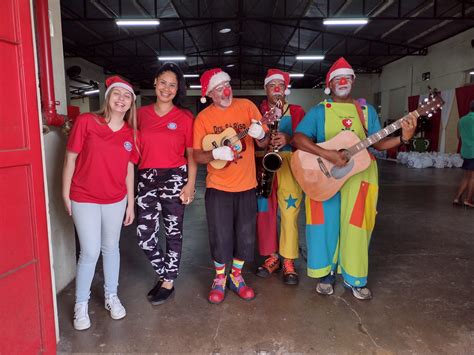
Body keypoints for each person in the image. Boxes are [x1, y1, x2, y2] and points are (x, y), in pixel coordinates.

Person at [292, 57, 417, 300]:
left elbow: (378, 143)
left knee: (357, 227)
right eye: (337, 78)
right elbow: (298, 139)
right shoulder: (320, 111)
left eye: (346, 78)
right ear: (328, 84)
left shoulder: (366, 111)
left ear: (353, 81)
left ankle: (355, 277)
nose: (342, 82)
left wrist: (404, 137)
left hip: (361, 176)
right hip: (324, 177)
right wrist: (327, 154)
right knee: (323, 226)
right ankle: (325, 274)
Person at [62, 76, 138, 330]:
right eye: (116, 94)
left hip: (116, 199)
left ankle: (110, 296)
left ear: (131, 104)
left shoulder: (130, 134)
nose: (121, 99)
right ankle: (80, 304)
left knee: (111, 248)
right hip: (84, 196)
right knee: (90, 251)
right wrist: (65, 193)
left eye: (126, 96)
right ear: (107, 97)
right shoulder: (87, 122)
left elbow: (129, 170)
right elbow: (70, 159)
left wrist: (130, 203)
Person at [193, 68, 267, 304]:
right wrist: (215, 151)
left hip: (246, 185)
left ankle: (236, 277)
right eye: (218, 88)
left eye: (227, 85)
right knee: (220, 237)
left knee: (245, 237)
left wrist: (258, 135)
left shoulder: (247, 106)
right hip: (218, 187)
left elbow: (264, 143)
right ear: (209, 94)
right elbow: (197, 155)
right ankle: (218, 278)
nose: (225, 91)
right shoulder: (203, 118)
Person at [136, 62, 197, 305]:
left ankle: (168, 282)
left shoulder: (184, 117)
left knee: (173, 233)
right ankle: (165, 274)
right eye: (163, 82)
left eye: (173, 85)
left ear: (178, 89)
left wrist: (190, 184)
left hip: (175, 176)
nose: (167, 88)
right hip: (146, 177)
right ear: (155, 82)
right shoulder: (140, 114)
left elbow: (191, 153)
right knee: (145, 236)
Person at [255, 69, 306, 285]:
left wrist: (289, 138)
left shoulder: (297, 111)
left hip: (289, 166)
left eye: (280, 85)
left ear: (286, 89)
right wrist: (263, 139)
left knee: (289, 213)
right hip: (263, 166)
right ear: (265, 88)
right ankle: (272, 256)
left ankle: (288, 259)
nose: (277, 89)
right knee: (265, 213)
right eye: (271, 85)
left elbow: (307, 139)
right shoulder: (258, 110)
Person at [453, 100, 474, 208]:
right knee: (472, 177)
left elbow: (458, 136)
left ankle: (457, 198)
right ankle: (469, 200)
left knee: (467, 177)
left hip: (465, 150)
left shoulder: (461, 120)